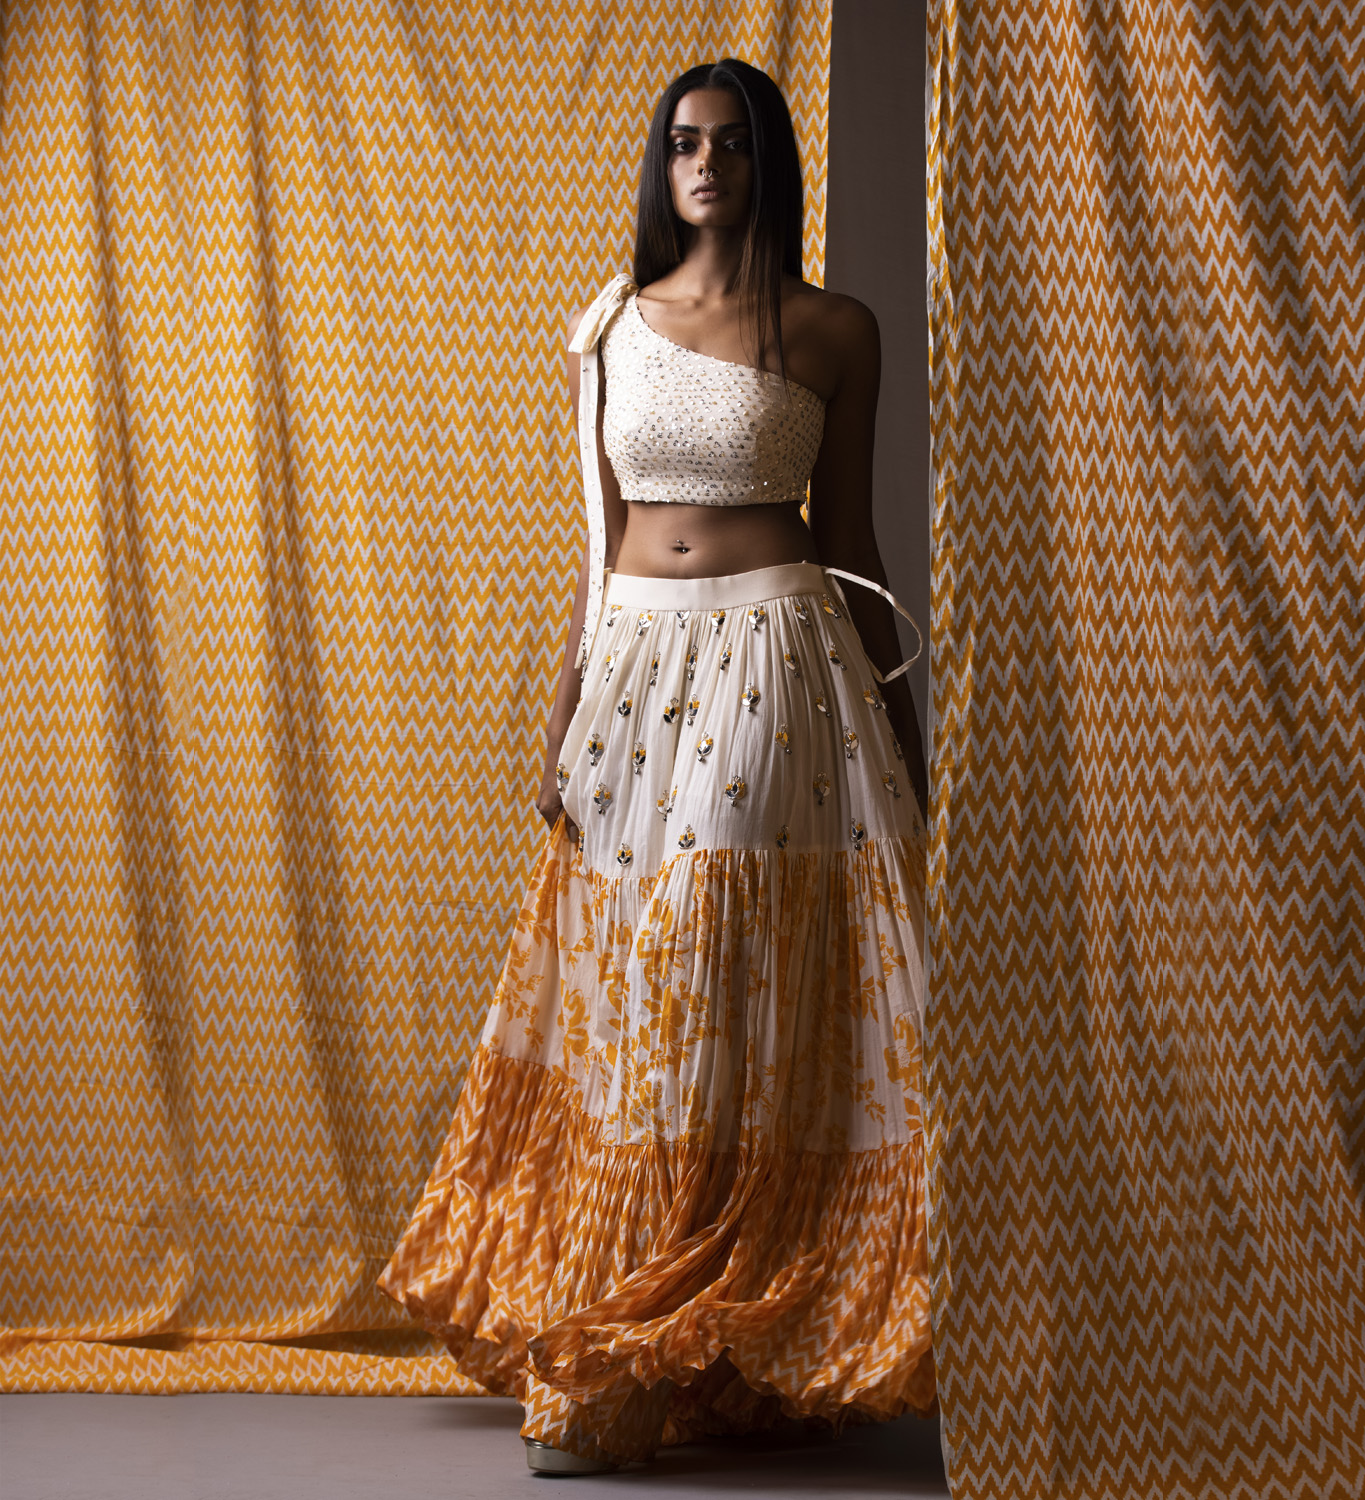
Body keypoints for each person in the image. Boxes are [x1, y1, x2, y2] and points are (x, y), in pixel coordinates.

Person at [376, 57, 934, 1475]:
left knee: (707, 960)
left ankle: (647, 1350)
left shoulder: (835, 329)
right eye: (683, 142)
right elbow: (599, 542)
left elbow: (852, 541)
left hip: (777, 664)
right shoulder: (612, 325)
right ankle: (671, 1333)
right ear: (662, 162)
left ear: (766, 161)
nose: (704, 164)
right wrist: (565, 706)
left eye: (730, 143)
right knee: (630, 987)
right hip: (633, 667)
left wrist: (903, 722)